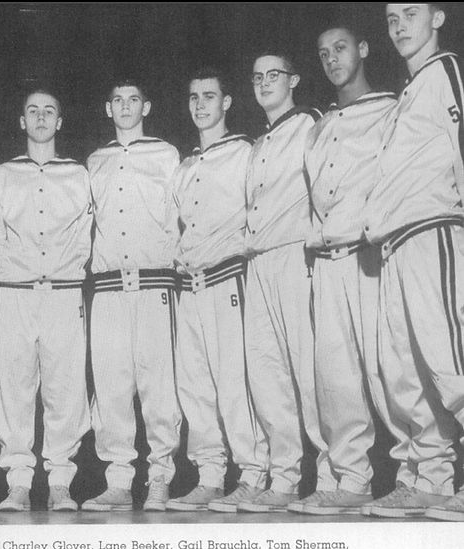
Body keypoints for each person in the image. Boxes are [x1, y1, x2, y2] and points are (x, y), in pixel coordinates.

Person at [301, 24, 411, 516]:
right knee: (336, 379)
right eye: (323, 53)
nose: (332, 59)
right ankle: (352, 479)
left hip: (371, 257)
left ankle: (426, 475)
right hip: (326, 262)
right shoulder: (321, 123)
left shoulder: (392, 107)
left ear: (363, 50)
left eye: (340, 48)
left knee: (392, 370)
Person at [363, 3, 463, 521]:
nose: (399, 25)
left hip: (433, 232)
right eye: (391, 18)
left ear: (438, 18)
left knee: (453, 363)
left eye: (410, 13)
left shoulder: (444, 71)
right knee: (408, 377)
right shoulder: (406, 94)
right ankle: (433, 480)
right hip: (395, 245)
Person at [164, 68, 269, 513]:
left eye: (210, 96)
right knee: (195, 386)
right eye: (193, 97)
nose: (200, 104)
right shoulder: (185, 166)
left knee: (234, 382)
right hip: (190, 287)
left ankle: (254, 472)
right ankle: (209, 476)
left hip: (229, 278)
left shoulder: (245, 152)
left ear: (227, 102)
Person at [238, 52, 337, 513]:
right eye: (257, 77)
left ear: (294, 79)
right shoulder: (259, 143)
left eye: (273, 74)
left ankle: (336, 476)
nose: (264, 83)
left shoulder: (310, 123)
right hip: (258, 264)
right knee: (267, 375)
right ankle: (284, 479)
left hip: (296, 256)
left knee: (309, 372)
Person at [81, 80, 181, 512]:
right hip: (107, 289)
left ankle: (160, 478)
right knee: (112, 387)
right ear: (107, 108)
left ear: (147, 105)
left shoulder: (166, 154)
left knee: (159, 386)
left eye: (133, 99)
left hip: (154, 284)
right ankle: (118, 481)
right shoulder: (95, 160)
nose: (125, 106)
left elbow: (179, 218)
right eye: (117, 100)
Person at [0, 88, 92, 512]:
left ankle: (61, 481)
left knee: (65, 388)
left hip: (64, 294)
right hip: (15, 293)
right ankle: (17, 482)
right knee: (13, 388)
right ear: (22, 121)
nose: (41, 117)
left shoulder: (78, 174)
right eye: (32, 110)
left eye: (50, 110)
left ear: (60, 121)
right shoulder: (3, 174)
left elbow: (89, 231)